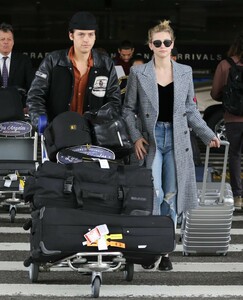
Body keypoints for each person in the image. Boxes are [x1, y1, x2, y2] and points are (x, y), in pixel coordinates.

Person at [122, 20, 220, 271]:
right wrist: (135, 137)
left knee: (171, 197)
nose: (163, 46)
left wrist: (208, 134)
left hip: (178, 141)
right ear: (150, 45)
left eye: (167, 42)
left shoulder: (184, 72)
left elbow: (190, 109)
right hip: (151, 140)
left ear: (173, 44)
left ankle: (165, 251)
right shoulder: (138, 73)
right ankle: (151, 248)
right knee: (151, 193)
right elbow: (128, 109)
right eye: (157, 42)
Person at [26, 11, 121, 128]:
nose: (86, 39)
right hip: (58, 131)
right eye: (81, 34)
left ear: (95, 36)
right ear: (71, 35)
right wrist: (43, 124)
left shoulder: (106, 64)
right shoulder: (52, 60)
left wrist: (97, 122)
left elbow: (114, 102)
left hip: (93, 134)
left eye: (91, 34)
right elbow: (35, 97)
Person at [211, 32, 243, 210]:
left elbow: (215, 93)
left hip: (233, 119)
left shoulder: (225, 65)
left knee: (235, 155)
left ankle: (238, 196)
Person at [0, 22, 34, 107]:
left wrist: (27, 106)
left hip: (18, 108)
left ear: (13, 42)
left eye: (9, 39)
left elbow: (32, 87)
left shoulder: (24, 61)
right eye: (2, 39)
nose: (6, 42)